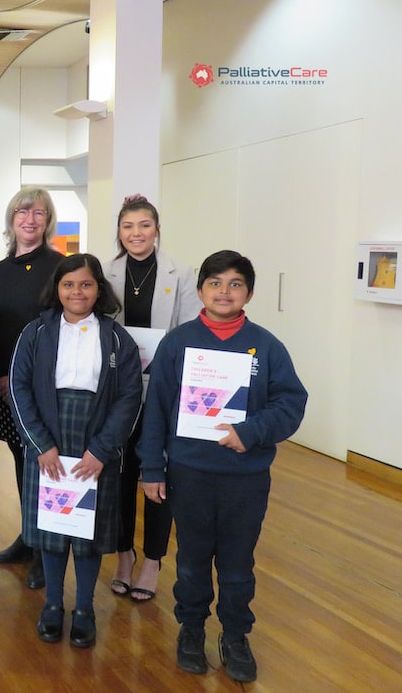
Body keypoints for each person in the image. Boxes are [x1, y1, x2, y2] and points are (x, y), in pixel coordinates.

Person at [137, 250, 307, 683]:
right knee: (192, 560)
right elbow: (155, 410)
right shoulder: (177, 343)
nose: (224, 292)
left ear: (248, 291)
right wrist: (152, 469)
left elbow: (290, 403)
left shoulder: (266, 346)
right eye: (215, 283)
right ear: (200, 290)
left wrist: (249, 432)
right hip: (188, 474)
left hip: (245, 479)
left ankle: (235, 636)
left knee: (236, 563)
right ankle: (190, 631)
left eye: (235, 284)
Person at [9, 254, 142, 648]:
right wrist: (41, 445)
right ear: (57, 289)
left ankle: (84, 608)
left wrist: (101, 451)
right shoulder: (35, 332)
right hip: (47, 440)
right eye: (68, 285)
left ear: (99, 289)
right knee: (52, 528)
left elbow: (130, 398)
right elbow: (19, 389)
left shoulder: (118, 339)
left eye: (85, 284)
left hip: (95, 444)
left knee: (88, 531)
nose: (77, 292)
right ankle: (53, 605)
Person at [103, 194, 200, 602]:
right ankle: (124, 554)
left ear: (157, 230)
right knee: (120, 478)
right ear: (119, 232)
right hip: (118, 393)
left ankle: (153, 560)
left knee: (158, 479)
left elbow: (189, 333)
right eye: (128, 226)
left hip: (163, 391)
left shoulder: (181, 274)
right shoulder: (105, 272)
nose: (136, 233)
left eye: (144, 225)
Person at [0, 187, 65, 591]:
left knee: (44, 465)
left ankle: (44, 549)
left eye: (39, 212)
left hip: (44, 388)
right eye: (22, 211)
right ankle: (28, 535)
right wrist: (0, 375)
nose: (30, 218)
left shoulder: (60, 267)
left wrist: (26, 379)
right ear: (11, 218)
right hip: (4, 388)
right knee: (20, 459)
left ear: (48, 220)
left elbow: (62, 333)